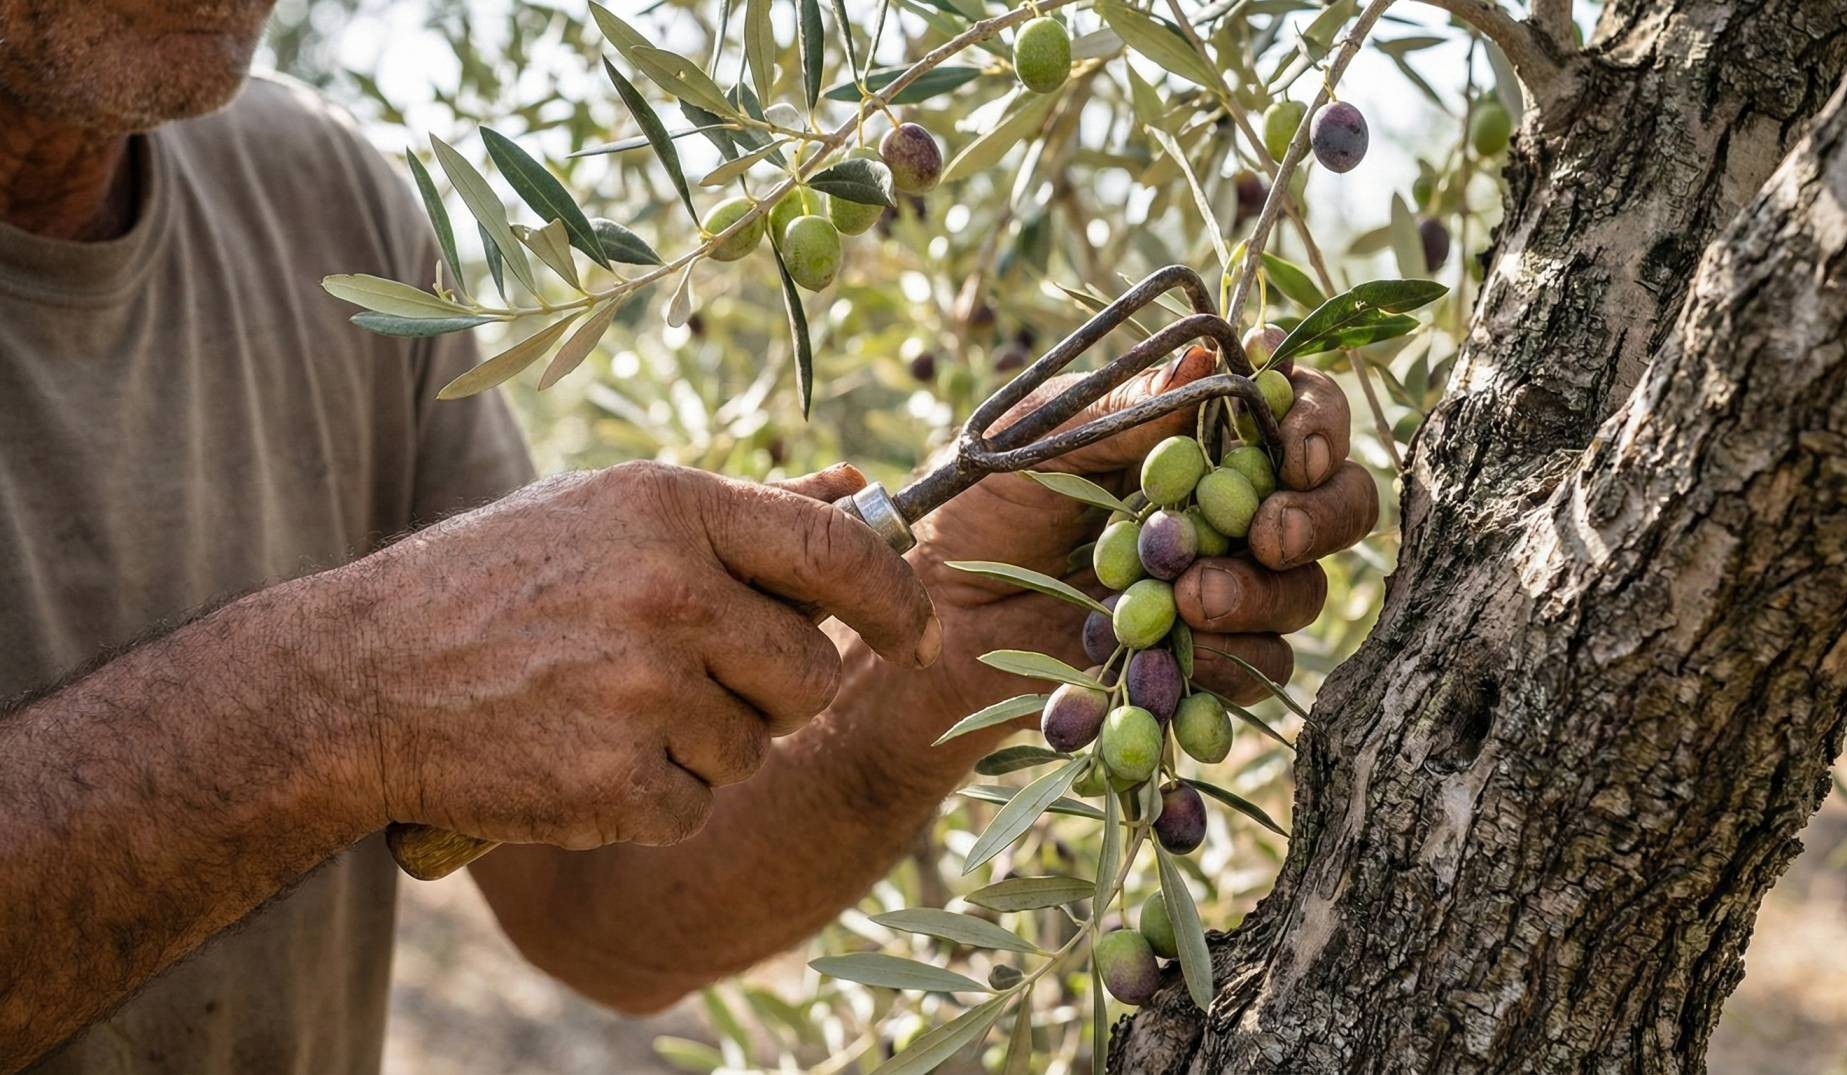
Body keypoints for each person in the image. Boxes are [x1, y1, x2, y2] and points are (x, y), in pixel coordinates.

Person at [0, 1, 1381, 1071]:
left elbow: (593, 915)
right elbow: (378, 705)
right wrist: (351, 697)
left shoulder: (321, 210)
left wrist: (947, 651)